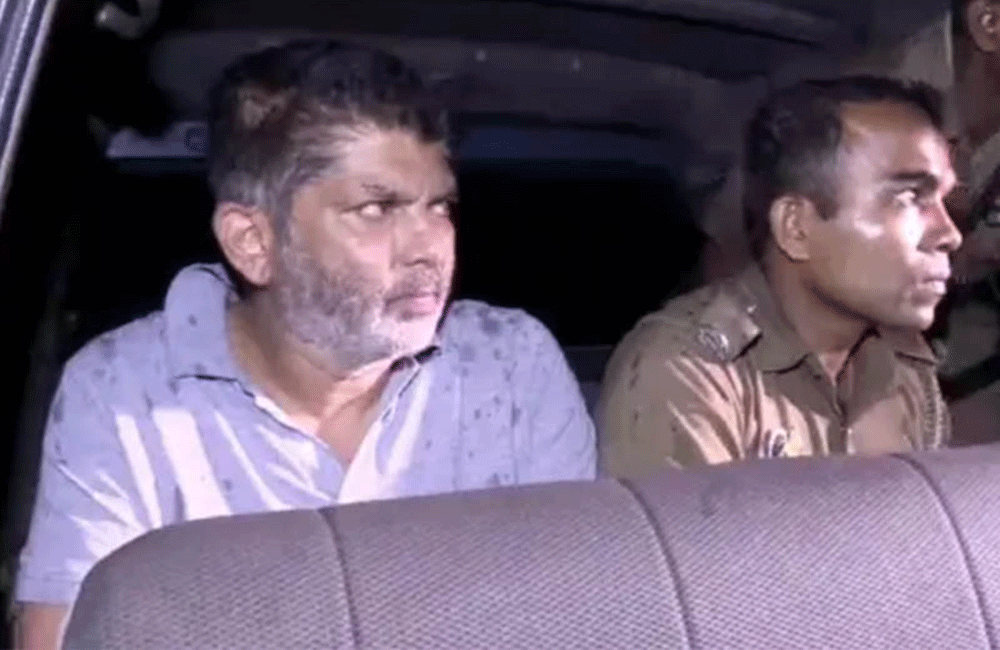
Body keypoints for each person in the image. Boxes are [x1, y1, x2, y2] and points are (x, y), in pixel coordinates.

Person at [14, 40, 595, 648]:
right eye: (378, 209)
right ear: (252, 242)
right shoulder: (123, 394)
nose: (429, 248)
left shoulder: (511, 366)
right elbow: (63, 637)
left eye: (440, 206)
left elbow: (582, 618)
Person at [597, 76, 961, 475]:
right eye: (908, 197)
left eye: (944, 200)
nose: (950, 234)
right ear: (796, 228)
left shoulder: (903, 367)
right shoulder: (687, 371)